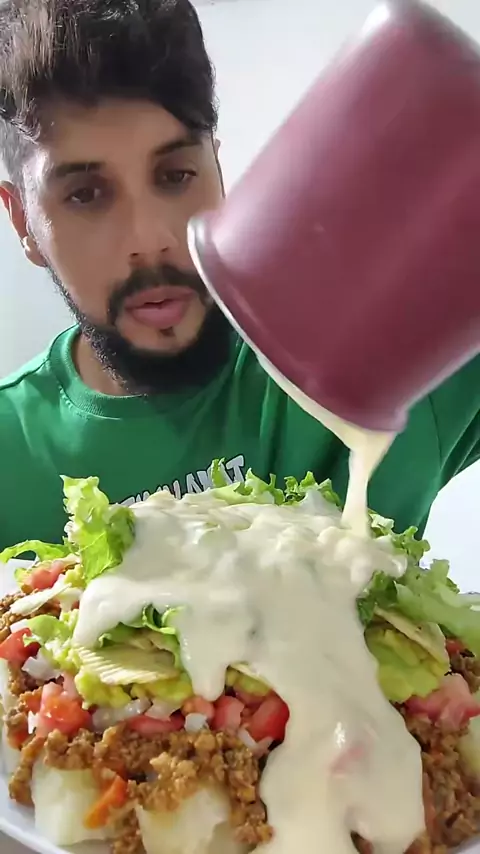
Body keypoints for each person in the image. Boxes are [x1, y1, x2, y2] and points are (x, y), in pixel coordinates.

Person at [0, 0, 479, 551]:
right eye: (86, 195)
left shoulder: (383, 357)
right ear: (24, 223)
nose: (150, 240)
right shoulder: (13, 458)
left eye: (176, 175)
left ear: (216, 168)